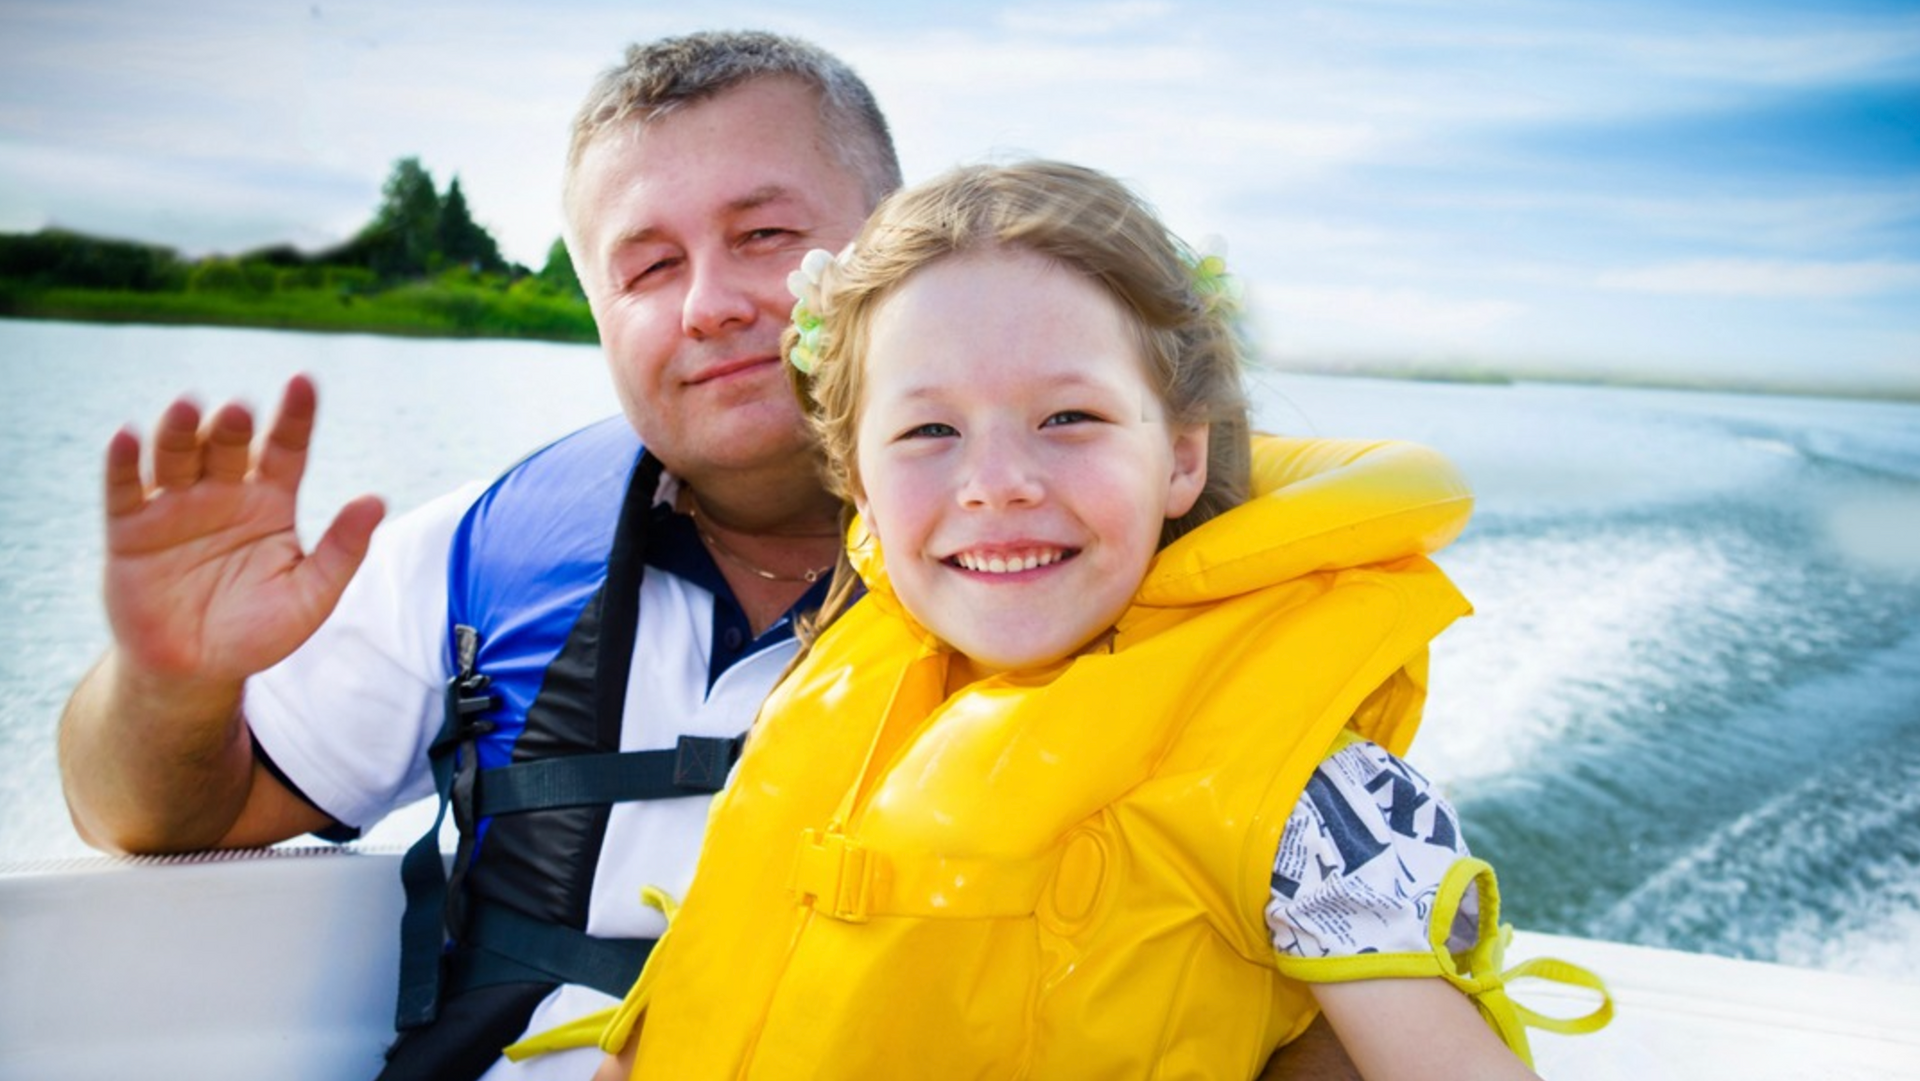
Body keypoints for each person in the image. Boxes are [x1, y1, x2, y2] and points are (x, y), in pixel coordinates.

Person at [54, 29, 1469, 1081]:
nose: (717, 302)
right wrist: (175, 677)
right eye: (648, 265)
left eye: (767, 236)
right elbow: (152, 822)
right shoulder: (472, 562)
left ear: (887, 257)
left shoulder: (1195, 644)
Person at [546, 161, 1608, 1079]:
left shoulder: (1314, 800)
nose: (996, 482)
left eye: (1069, 417)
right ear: (857, 483)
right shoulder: (830, 691)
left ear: (1180, 452)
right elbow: (683, 1002)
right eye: (927, 429)